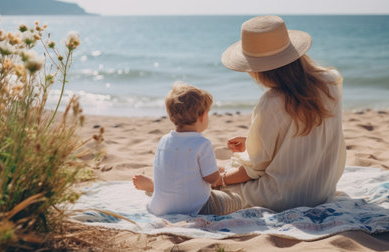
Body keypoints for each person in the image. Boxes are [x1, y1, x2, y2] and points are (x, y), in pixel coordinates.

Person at [213, 15, 346, 212]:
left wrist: (221, 180)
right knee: (222, 164)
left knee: (213, 170)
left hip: (281, 197)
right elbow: (305, 137)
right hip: (322, 190)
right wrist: (251, 142)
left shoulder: (272, 102)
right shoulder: (331, 81)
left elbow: (254, 170)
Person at [133, 82, 242, 216]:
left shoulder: (164, 141)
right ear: (202, 116)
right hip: (197, 207)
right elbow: (211, 179)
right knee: (236, 200)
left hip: (161, 208)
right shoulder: (202, 143)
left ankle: (152, 188)